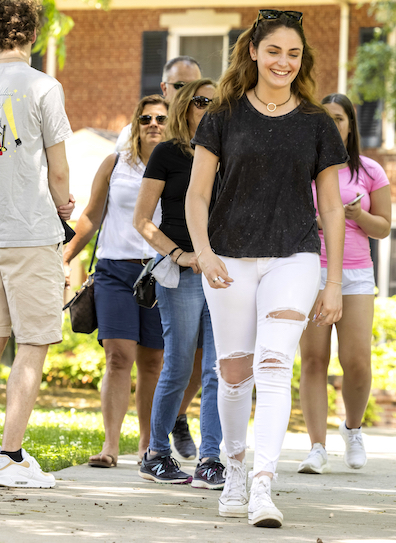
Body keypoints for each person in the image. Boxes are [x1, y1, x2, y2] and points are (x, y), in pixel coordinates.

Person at [187, 9, 347, 528]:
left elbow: (332, 207)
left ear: (303, 60)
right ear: (253, 51)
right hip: (228, 257)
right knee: (234, 371)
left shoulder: (317, 124)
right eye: (274, 50)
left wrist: (334, 280)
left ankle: (263, 485)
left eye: (293, 53)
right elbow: (196, 194)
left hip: (294, 256)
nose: (283, 61)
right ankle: (233, 468)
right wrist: (204, 252)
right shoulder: (223, 116)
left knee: (275, 363)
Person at [0, 0, 74, 488]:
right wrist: (65, 207)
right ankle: (12, 458)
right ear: (33, 36)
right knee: (33, 341)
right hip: (27, 231)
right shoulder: (44, 87)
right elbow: (59, 168)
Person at [62, 95, 168, 469]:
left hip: (159, 273)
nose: (153, 123)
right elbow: (91, 216)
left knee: (153, 362)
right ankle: (110, 446)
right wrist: (65, 256)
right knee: (118, 357)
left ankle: (146, 445)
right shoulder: (115, 163)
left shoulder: (179, 166)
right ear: (136, 125)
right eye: (146, 119)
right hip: (114, 271)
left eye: (161, 118)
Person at [134, 79, 224, 488]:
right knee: (179, 364)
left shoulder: (230, 151)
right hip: (183, 272)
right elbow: (142, 221)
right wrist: (180, 255)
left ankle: (210, 459)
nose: (211, 107)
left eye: (219, 102)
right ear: (187, 106)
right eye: (204, 101)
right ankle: (155, 453)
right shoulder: (168, 154)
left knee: (218, 369)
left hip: (225, 274)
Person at [116, 54, 205, 460]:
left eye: (198, 90)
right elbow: (133, 213)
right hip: (152, 267)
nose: (189, 96)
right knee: (168, 360)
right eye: (179, 87)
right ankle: (152, 447)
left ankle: (193, 435)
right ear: (167, 90)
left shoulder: (220, 146)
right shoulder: (146, 141)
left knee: (207, 362)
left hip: (210, 266)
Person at [298, 93, 392, 475]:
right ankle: (316, 447)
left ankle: (352, 428)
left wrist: (356, 216)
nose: (332, 124)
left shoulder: (369, 171)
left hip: (355, 273)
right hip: (309, 270)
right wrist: (318, 220)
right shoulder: (302, 168)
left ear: (350, 124)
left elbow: (383, 227)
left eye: (338, 118)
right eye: (325, 118)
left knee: (356, 361)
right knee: (314, 359)